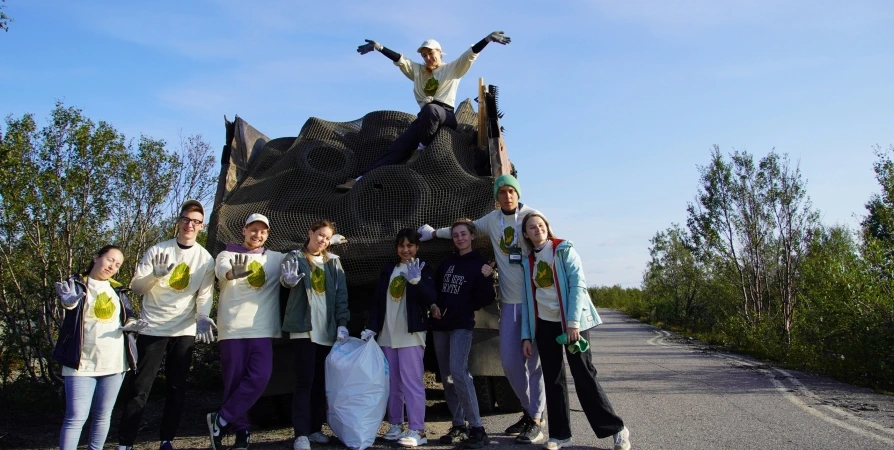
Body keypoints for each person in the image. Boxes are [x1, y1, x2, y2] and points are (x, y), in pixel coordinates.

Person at [419, 174, 545, 443]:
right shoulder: (492, 219)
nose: (507, 196)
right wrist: (433, 234)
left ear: (517, 193)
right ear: (497, 197)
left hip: (534, 299)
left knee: (534, 364)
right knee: (510, 364)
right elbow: (466, 228)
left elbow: (547, 245)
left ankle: (535, 418)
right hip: (510, 301)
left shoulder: (532, 216)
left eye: (511, 191)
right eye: (503, 192)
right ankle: (529, 410)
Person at [336, 31, 511, 192]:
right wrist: (379, 47)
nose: (428, 57)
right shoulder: (419, 72)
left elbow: (470, 54)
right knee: (398, 148)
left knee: (431, 110)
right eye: (424, 55)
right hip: (425, 116)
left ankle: (422, 148)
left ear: (439, 52)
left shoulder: (452, 68)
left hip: (445, 113)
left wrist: (487, 39)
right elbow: (401, 60)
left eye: (431, 53)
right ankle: (359, 180)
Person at [519, 213, 631, 450]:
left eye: (540, 225)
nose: (537, 229)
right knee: (553, 379)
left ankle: (617, 429)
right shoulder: (528, 260)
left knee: (583, 375)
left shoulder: (564, 250)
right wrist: (527, 335)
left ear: (547, 228)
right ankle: (560, 436)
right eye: (531, 227)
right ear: (526, 234)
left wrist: (572, 323)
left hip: (571, 322)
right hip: (545, 324)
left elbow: (578, 285)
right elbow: (528, 300)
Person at [117, 200, 216, 450]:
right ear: (178, 221)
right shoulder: (158, 250)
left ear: (201, 226)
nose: (189, 225)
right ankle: (125, 442)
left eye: (195, 222)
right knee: (140, 387)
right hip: (153, 327)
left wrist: (202, 317)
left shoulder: (205, 259)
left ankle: (167, 439)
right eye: (185, 219)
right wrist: (155, 275)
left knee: (177, 387)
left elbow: (204, 294)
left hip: (183, 330)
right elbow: (138, 288)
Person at [207, 213, 300, 450]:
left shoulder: (274, 258)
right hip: (233, 328)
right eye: (253, 230)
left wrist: (329, 242)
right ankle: (241, 433)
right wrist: (231, 273)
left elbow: (299, 257)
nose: (257, 235)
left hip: (261, 328)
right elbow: (222, 271)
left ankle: (222, 418)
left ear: (267, 234)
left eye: (262, 231)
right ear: (244, 230)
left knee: (260, 377)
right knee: (234, 382)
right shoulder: (227, 254)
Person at [54, 245, 148, 450]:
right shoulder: (77, 284)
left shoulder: (117, 289)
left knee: (103, 416)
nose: (112, 266)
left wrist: (132, 324)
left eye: (117, 264)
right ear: (96, 257)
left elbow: (128, 314)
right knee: (76, 417)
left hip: (114, 363)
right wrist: (68, 303)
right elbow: (69, 304)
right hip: (81, 363)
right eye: (109, 260)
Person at [362, 228, 436, 447]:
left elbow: (432, 297)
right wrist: (372, 328)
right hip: (387, 335)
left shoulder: (423, 268)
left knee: (412, 382)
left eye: (410, 246)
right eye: (402, 246)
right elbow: (377, 302)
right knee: (392, 382)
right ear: (397, 248)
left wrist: (418, 282)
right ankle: (396, 424)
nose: (406, 250)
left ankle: (418, 430)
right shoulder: (388, 270)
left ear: (417, 247)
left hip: (410, 335)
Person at [281, 219, 351, 450]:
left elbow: (341, 295)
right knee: (304, 381)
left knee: (321, 382)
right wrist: (288, 281)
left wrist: (342, 323)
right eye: (320, 235)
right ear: (310, 233)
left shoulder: (333, 262)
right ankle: (301, 434)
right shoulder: (295, 257)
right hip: (304, 330)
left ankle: (314, 429)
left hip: (327, 331)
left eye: (327, 237)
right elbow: (285, 277)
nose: (323, 240)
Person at [429, 219, 496, 449]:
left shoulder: (479, 264)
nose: (460, 238)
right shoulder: (446, 263)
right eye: (456, 235)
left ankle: (478, 428)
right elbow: (435, 290)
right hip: (440, 326)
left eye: (464, 234)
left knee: (459, 371)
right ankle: (458, 426)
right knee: (447, 378)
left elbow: (484, 300)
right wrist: (433, 305)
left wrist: (487, 278)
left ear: (472, 236)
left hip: (461, 325)